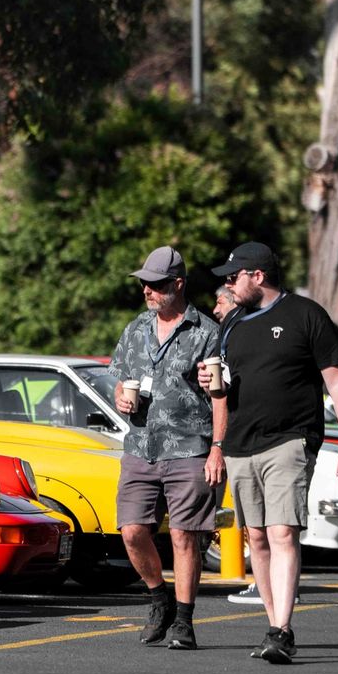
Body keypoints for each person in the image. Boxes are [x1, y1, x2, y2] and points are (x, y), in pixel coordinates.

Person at [200, 242, 338, 665]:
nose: (229, 285)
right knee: (257, 538)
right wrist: (210, 385)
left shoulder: (306, 315)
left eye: (234, 277)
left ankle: (281, 629)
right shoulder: (232, 324)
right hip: (240, 444)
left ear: (258, 275)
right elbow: (225, 388)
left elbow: (337, 381)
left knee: (282, 531)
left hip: (290, 439)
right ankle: (274, 627)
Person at [108, 245, 226, 651]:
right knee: (132, 530)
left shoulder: (206, 332)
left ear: (178, 284)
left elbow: (220, 396)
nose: (147, 291)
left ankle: (185, 620)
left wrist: (218, 448)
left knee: (184, 535)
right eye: (144, 283)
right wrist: (122, 397)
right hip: (141, 445)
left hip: (190, 448)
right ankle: (159, 597)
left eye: (156, 285)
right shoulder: (135, 328)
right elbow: (121, 379)